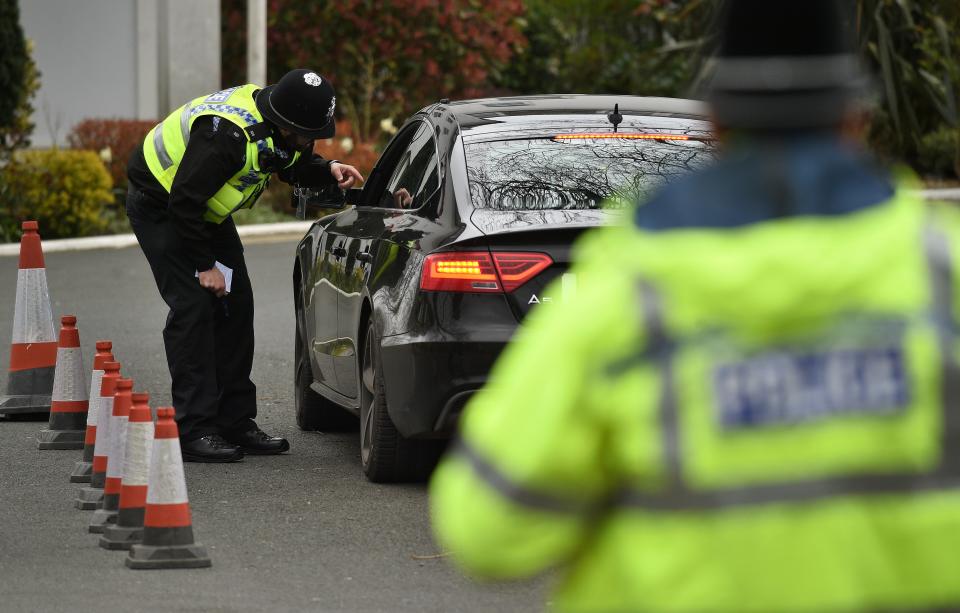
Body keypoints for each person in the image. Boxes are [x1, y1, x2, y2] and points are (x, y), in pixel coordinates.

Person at [429, 1, 960, 611]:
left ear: (719, 123)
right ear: (856, 118)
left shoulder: (627, 296)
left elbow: (486, 531)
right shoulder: (944, 277)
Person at [126, 69, 363, 462]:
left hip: (206, 213)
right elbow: (184, 202)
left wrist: (326, 169)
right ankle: (195, 430)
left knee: (238, 306)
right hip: (163, 206)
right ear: (287, 123)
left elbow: (285, 160)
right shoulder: (224, 137)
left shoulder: (278, 122)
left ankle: (235, 421)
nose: (311, 141)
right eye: (308, 134)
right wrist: (205, 267)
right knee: (193, 308)